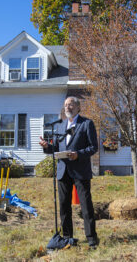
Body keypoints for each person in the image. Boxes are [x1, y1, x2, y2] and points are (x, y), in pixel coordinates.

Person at [39, 96, 99, 248]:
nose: (67, 107)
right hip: (63, 171)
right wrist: (47, 147)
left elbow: (93, 147)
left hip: (80, 171)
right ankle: (67, 238)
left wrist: (78, 154)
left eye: (71, 105)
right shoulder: (60, 126)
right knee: (64, 207)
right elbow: (57, 149)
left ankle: (92, 239)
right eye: (65, 105)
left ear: (78, 107)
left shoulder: (87, 124)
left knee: (86, 206)